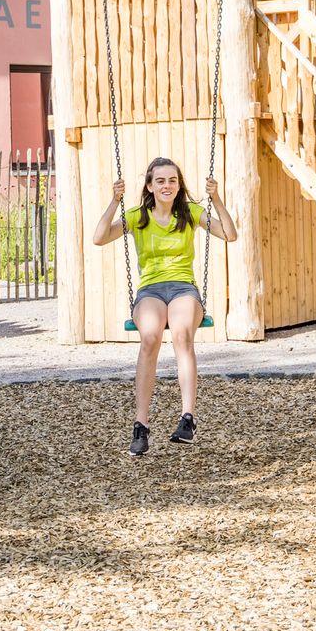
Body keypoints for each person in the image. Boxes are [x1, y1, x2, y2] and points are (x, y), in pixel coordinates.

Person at [91, 156, 238, 455]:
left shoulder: (191, 213)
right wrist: (113, 200)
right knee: (150, 338)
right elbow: (98, 237)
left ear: (179, 184)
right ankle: (140, 426)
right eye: (160, 181)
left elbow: (230, 234)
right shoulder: (138, 217)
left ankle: (188, 418)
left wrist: (216, 198)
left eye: (172, 180)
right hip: (151, 291)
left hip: (184, 288)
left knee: (182, 333)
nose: (167, 185)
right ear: (150, 185)